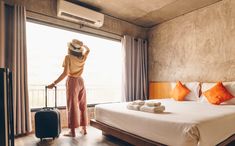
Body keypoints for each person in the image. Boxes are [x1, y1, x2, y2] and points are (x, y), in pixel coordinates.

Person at [47, 39, 90, 137]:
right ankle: (84, 129)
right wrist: (83, 45)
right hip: (81, 81)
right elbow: (88, 50)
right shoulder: (82, 57)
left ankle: (72, 132)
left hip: (72, 82)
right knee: (83, 104)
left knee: (72, 105)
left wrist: (53, 83)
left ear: (70, 48)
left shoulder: (68, 57)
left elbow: (65, 73)